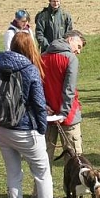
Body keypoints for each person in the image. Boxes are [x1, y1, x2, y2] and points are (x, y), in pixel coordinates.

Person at [0, 32, 72, 198]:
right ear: (31, 47)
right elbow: (37, 103)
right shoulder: (30, 69)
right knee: (43, 174)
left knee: (13, 175)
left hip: (1, 127)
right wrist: (42, 128)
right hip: (25, 130)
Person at [42, 30, 86, 163]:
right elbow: (69, 88)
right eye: (78, 47)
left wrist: (42, 105)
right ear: (70, 39)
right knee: (74, 161)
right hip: (68, 115)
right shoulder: (70, 59)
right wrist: (64, 112)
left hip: (47, 113)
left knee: (43, 160)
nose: (78, 51)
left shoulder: (42, 56)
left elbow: (36, 86)